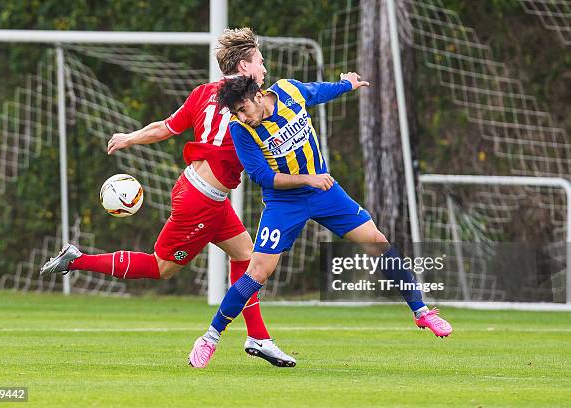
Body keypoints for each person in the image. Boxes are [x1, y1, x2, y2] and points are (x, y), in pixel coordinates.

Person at [39, 27, 296, 367]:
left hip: (203, 194)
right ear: (245, 66)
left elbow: (166, 126)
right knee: (161, 268)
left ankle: (259, 338)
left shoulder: (205, 92)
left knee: (247, 257)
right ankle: (77, 259)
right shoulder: (251, 102)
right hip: (201, 199)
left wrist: (130, 137)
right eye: (260, 62)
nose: (264, 69)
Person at [188, 74, 453, 368]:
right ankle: (210, 339)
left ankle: (422, 312)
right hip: (284, 202)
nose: (242, 116)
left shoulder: (289, 91)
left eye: (243, 109)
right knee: (258, 272)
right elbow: (262, 177)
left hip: (325, 193)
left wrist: (346, 85)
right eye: (236, 113)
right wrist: (307, 179)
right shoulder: (241, 131)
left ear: (259, 96)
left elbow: (317, 92)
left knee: (377, 241)